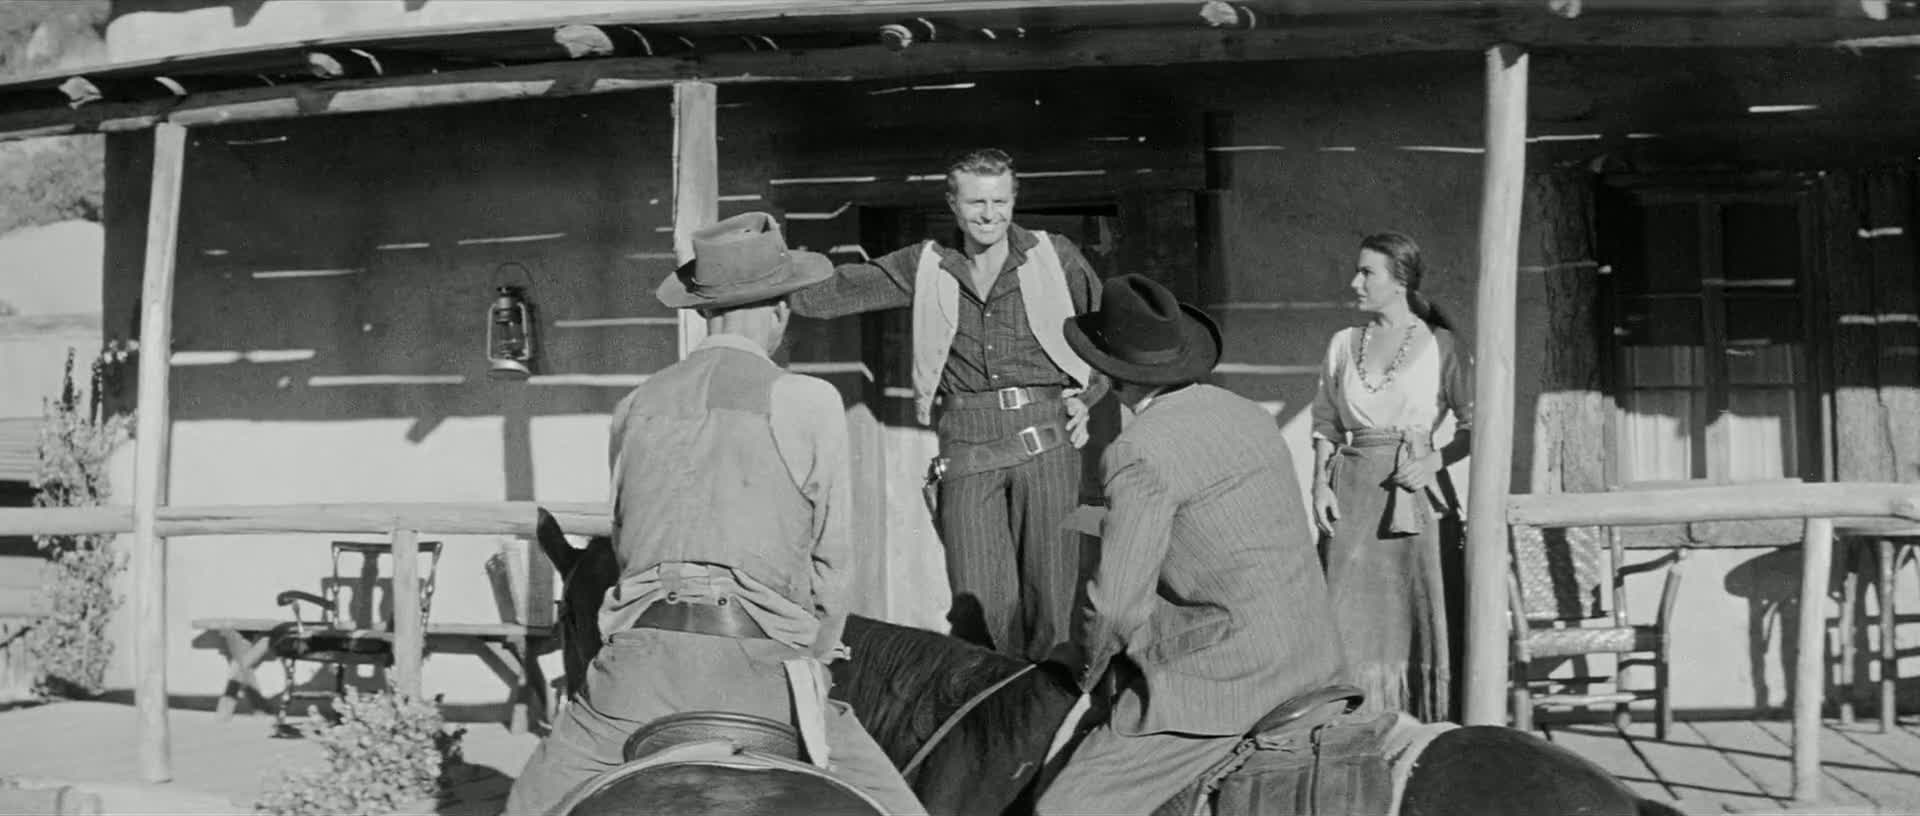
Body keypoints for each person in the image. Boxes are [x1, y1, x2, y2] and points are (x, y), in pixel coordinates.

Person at [503, 212, 926, 816]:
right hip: (762, 674)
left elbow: (625, 542)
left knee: (529, 807)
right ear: (781, 308)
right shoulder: (808, 401)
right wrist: (816, 662)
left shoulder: (634, 406)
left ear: (703, 311)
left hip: (635, 675)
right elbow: (833, 567)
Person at [1038, 274, 1347, 815]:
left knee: (1062, 810)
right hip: (1311, 655)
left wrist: (1082, 670)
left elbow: (1115, 607)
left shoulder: (1138, 450)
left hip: (1228, 681)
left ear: (1108, 371)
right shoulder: (1246, 414)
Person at [789, 148, 1107, 663]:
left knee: (1052, 603)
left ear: (1014, 200)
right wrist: (765, 286)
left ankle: (1051, 706)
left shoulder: (1055, 254)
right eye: (977, 202)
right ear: (953, 205)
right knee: (976, 605)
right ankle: (990, 706)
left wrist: (1087, 395)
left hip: (1046, 432)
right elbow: (840, 291)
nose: (990, 215)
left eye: (1000, 201)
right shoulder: (927, 263)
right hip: (966, 438)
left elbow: (1106, 330)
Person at [1309, 231, 1473, 723]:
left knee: (1416, 616)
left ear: (1400, 280)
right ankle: (1351, 724)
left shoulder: (1442, 345)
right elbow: (1325, 422)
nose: (1354, 282)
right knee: (1344, 615)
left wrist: (1434, 461)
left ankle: (1426, 724)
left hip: (1415, 499)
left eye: (1367, 273)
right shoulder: (1342, 344)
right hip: (1352, 496)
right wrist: (1319, 484)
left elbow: (1476, 426)